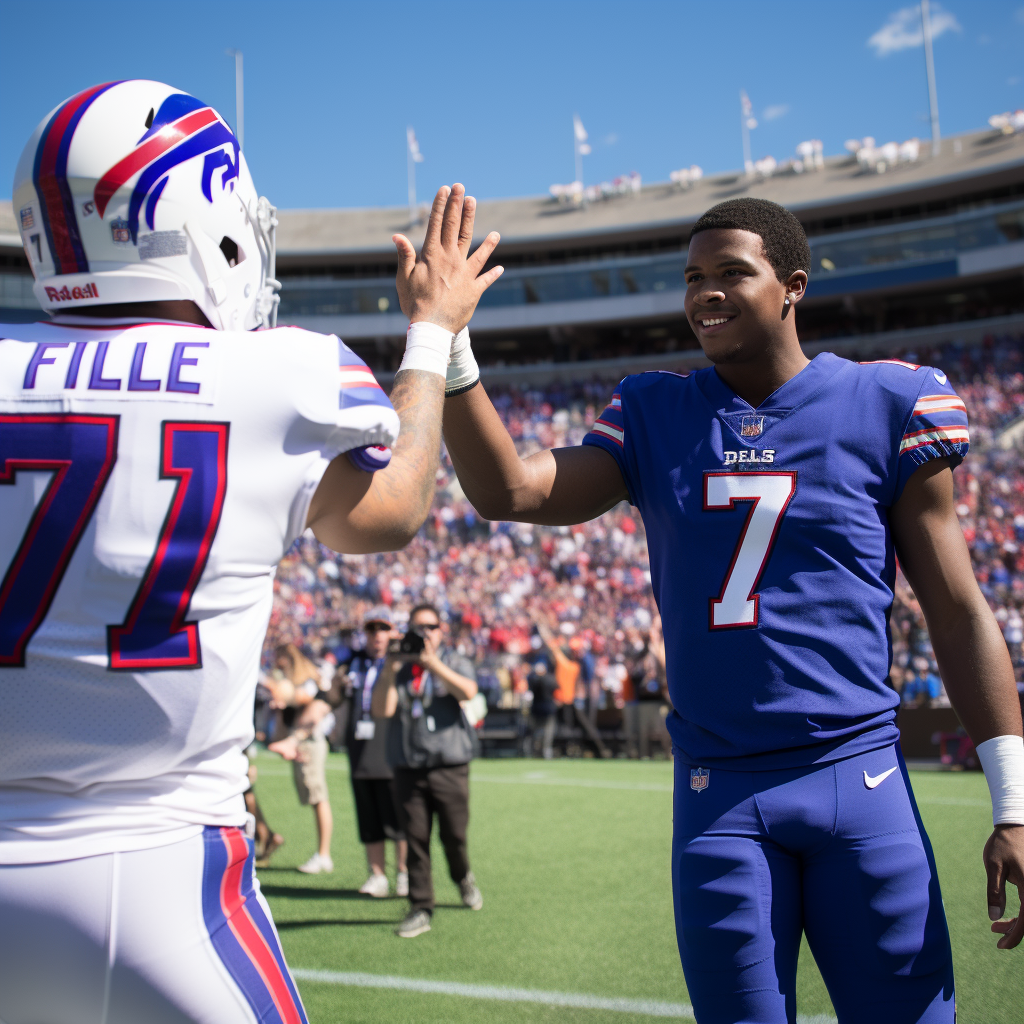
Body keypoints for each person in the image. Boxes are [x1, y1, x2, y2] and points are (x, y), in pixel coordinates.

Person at [439, 197, 1024, 1021]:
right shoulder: (656, 411)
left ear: (792, 286)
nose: (704, 293)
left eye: (730, 273)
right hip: (721, 795)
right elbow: (509, 490)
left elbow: (958, 611)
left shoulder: (887, 403)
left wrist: (1015, 804)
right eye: (692, 277)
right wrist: (451, 344)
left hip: (858, 777)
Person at [0, 79, 502, 1024]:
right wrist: (433, 334)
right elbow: (390, 511)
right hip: (163, 864)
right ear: (200, 224)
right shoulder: (276, 373)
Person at [373, 603, 483, 938]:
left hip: (449, 764)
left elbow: (468, 691)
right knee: (415, 839)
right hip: (409, 764)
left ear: (441, 630)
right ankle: (421, 906)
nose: (424, 634)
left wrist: (431, 663)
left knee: (454, 835)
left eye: (430, 627)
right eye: (417, 628)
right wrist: (391, 668)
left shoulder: (453, 660)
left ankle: (462, 876)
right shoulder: (399, 667)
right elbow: (382, 709)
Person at [344, 605, 409, 897]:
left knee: (398, 815)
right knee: (368, 814)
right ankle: (377, 874)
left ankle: (404, 873)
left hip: (392, 744)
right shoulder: (354, 663)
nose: (377, 635)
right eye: (372, 629)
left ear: (393, 632)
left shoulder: (400, 663)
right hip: (360, 746)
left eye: (383, 628)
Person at [268, 643, 336, 873]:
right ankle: (322, 854)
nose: (278, 664)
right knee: (313, 796)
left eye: (281, 658)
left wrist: (283, 695)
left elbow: (306, 699)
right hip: (301, 740)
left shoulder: (306, 678)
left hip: (310, 741)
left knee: (318, 796)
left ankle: (324, 855)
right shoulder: (292, 679)